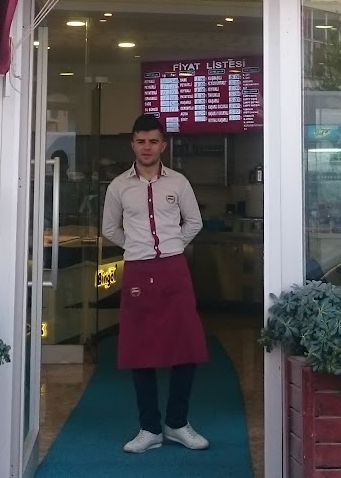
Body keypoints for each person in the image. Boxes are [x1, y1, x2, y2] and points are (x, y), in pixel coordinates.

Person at [100, 113, 210, 454]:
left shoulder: (179, 183)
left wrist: (172, 244)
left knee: (187, 346)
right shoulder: (118, 186)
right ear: (132, 144)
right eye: (140, 141)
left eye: (153, 141)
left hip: (174, 270)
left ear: (163, 145)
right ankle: (149, 428)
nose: (146, 147)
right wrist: (138, 245)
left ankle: (177, 423)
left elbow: (194, 222)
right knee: (139, 350)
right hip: (137, 270)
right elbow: (109, 228)